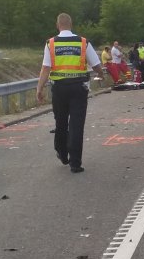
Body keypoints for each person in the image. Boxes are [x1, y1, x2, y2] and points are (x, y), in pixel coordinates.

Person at [36, 14, 104, 173]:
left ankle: (62, 153)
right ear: (71, 24)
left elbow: (46, 68)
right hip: (78, 88)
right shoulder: (83, 42)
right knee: (76, 124)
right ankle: (75, 163)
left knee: (60, 122)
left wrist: (39, 88)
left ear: (57, 25)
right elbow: (95, 64)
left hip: (59, 89)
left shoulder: (50, 43)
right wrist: (101, 74)